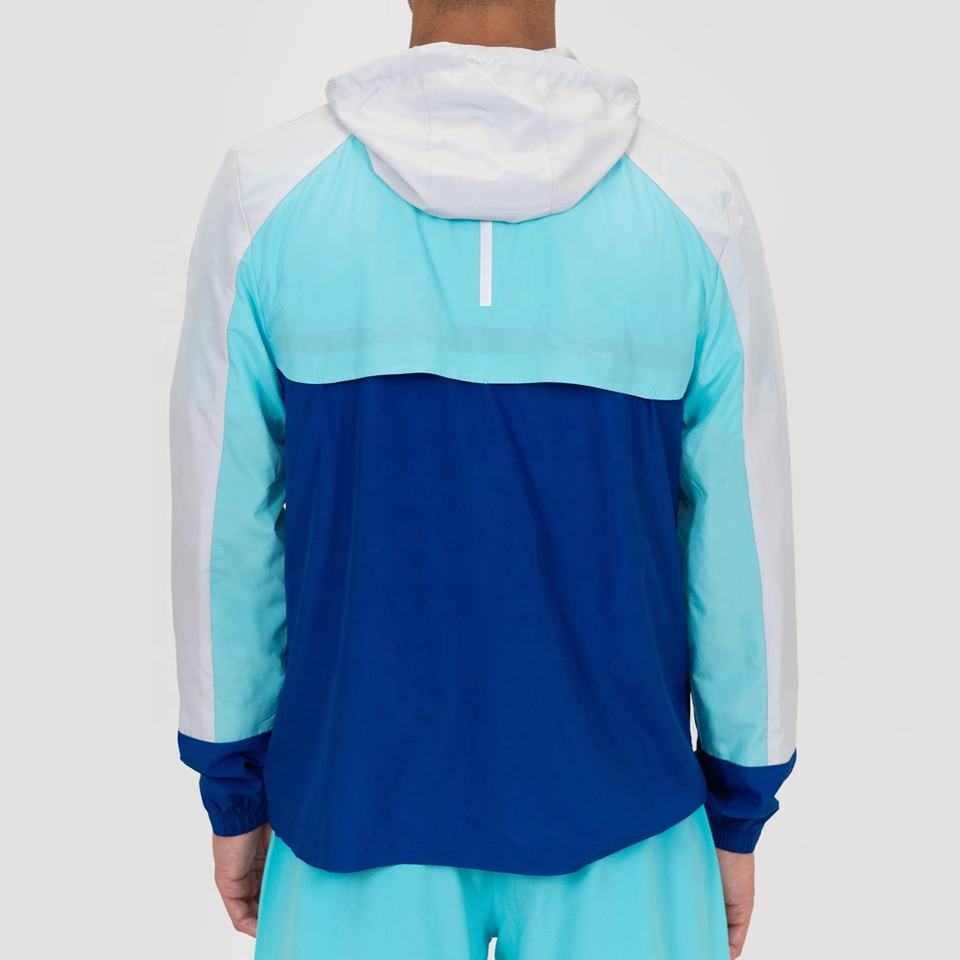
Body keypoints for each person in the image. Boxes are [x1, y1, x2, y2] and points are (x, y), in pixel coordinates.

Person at [169, 1, 798, 957]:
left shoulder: (268, 200)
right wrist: (740, 800)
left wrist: (234, 786)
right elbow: (742, 540)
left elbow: (225, 531)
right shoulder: (695, 210)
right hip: (630, 823)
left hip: (350, 814)